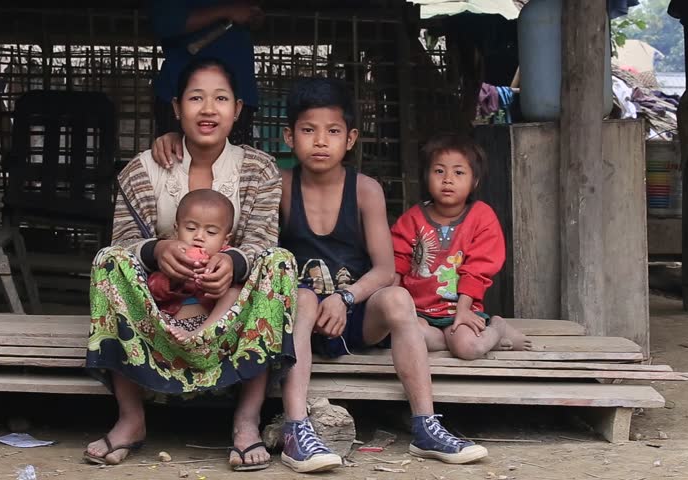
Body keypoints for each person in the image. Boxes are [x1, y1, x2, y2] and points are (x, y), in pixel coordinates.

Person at [85, 58, 340, 473]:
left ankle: (246, 420)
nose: (208, 109)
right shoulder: (140, 170)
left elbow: (261, 241)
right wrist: (156, 251)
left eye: (220, 98)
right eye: (196, 98)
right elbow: (123, 243)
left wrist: (234, 262)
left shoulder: (259, 169)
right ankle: (131, 419)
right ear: (176, 107)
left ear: (237, 109)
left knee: (278, 263)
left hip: (230, 319)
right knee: (108, 261)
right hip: (159, 316)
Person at [278, 78, 489, 465]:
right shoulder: (280, 186)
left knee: (396, 296)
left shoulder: (365, 190)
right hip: (301, 317)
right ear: (289, 136)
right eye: (309, 130)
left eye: (333, 131)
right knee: (303, 298)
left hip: (355, 314)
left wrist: (345, 297)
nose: (321, 141)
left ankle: (425, 425)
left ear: (351, 137)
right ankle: (295, 428)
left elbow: (385, 268)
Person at [391, 133, 531, 359]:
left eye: (458, 172)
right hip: (418, 312)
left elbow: (478, 270)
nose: (447, 179)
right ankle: (457, 340)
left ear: (474, 181)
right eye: (439, 171)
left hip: (460, 309)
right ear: (427, 176)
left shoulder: (482, 216)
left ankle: (497, 328)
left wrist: (464, 311)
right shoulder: (412, 218)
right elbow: (397, 263)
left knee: (468, 348)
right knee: (406, 335)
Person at [149, 0, 262, 147]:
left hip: (239, 90)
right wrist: (228, 10)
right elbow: (166, 22)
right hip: (180, 89)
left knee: (235, 162)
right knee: (176, 161)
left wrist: (251, 16)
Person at [146, 189, 241, 343]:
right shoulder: (172, 255)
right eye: (190, 228)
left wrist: (214, 280)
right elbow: (154, 289)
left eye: (211, 232)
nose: (199, 237)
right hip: (172, 324)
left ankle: (201, 333)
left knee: (234, 292)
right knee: (146, 305)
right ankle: (169, 331)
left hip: (212, 325)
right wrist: (173, 279)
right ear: (177, 230)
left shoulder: (226, 259)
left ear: (225, 239)